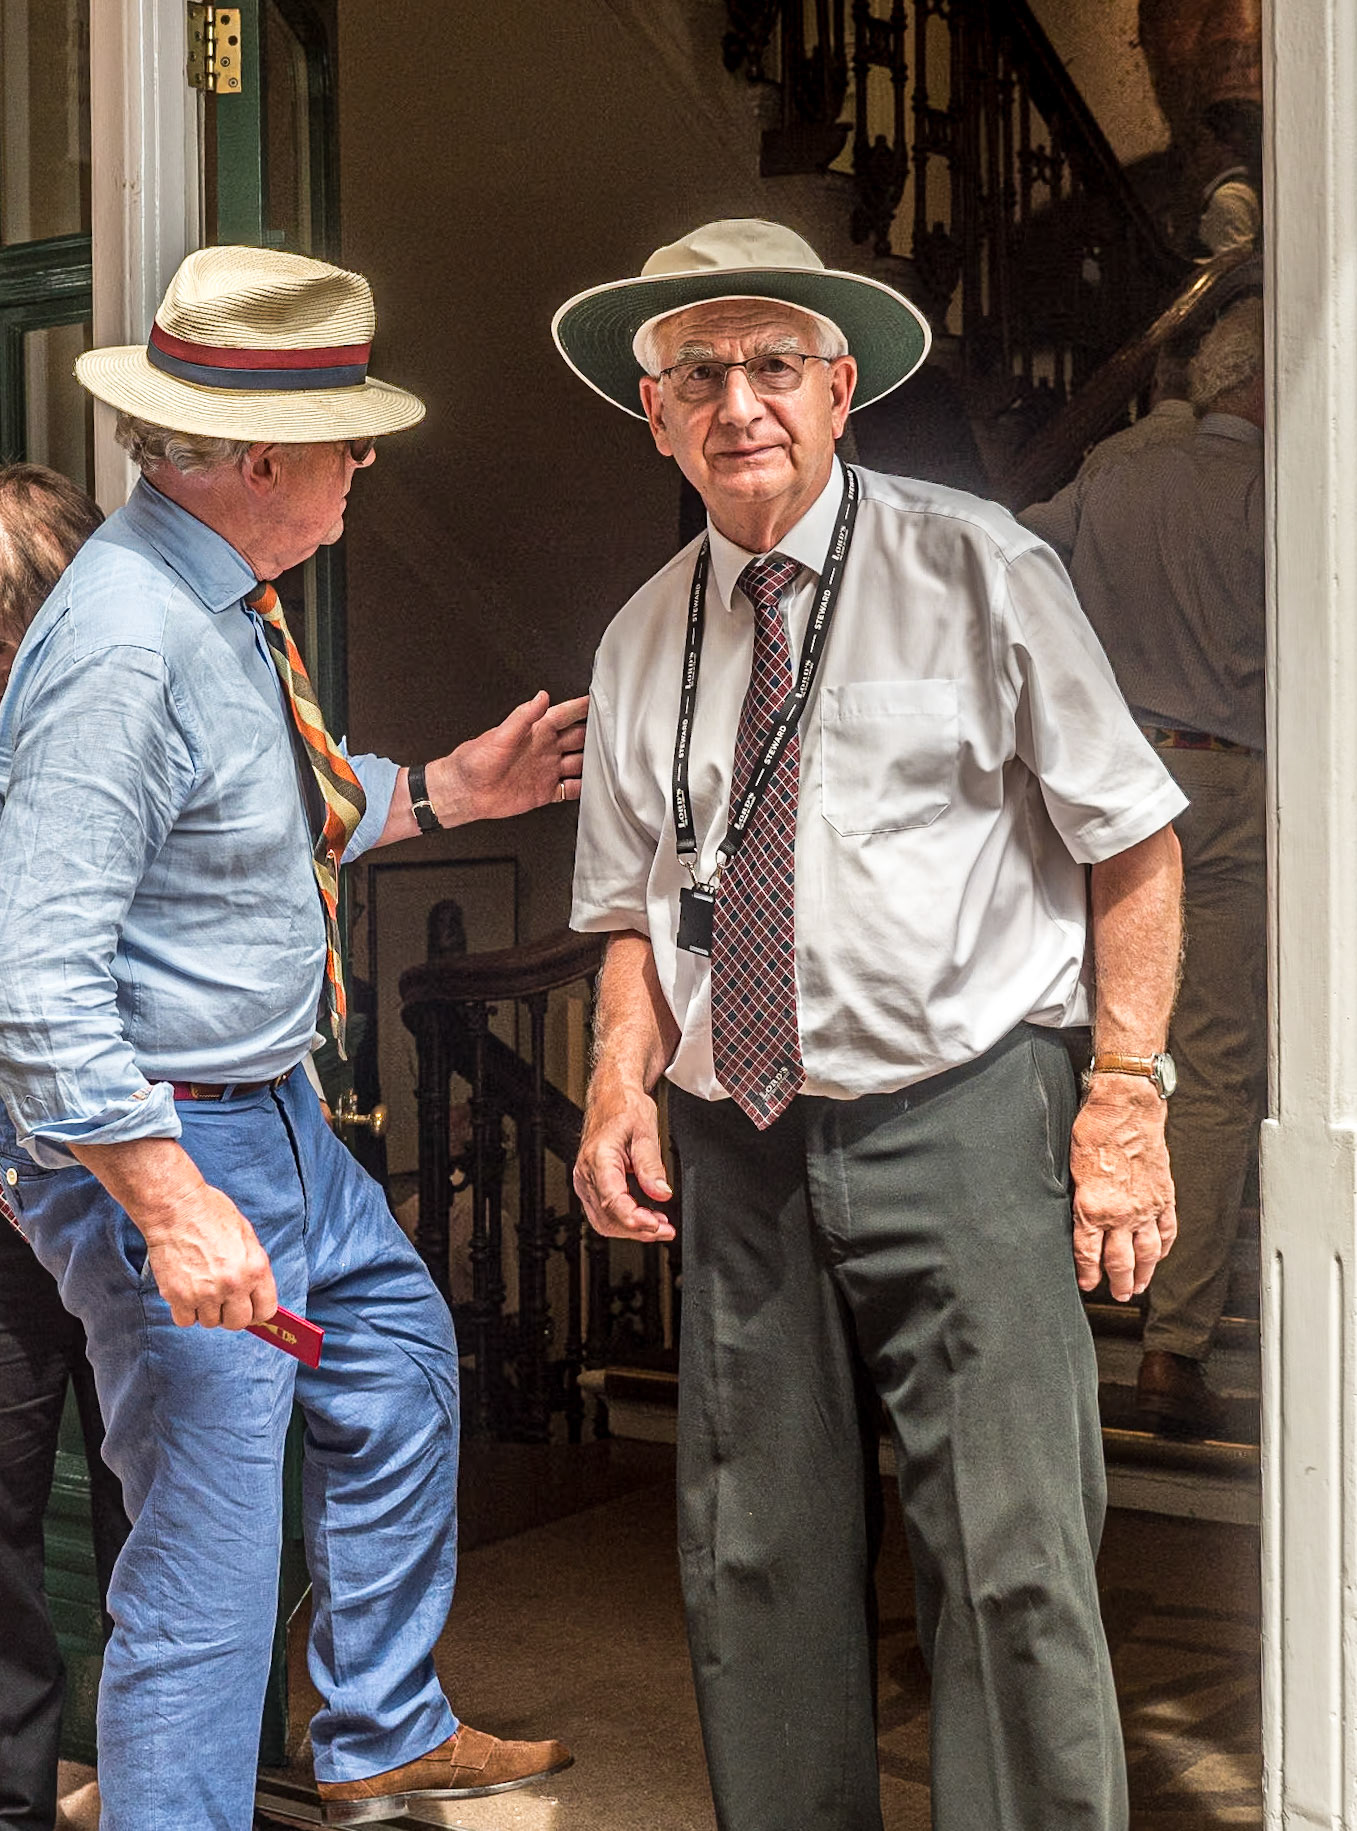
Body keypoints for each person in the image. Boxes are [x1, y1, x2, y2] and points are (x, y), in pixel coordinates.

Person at [556, 217, 1187, 1831]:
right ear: (655, 413)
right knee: (749, 1556)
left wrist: (1123, 1099)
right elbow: (632, 907)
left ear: (841, 392)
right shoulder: (642, 637)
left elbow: (1130, 836)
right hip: (738, 1138)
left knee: (1009, 1556)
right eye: (698, 371)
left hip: (963, 1110)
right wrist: (616, 1086)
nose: (738, 401)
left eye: (774, 364)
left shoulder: (978, 565)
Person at [0, 246, 584, 1831]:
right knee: (204, 1552)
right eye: (348, 438)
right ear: (262, 459)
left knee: (398, 1368)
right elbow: (31, 971)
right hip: (172, 1132)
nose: (364, 466)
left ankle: (379, 1723)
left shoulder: (223, 604)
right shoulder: (125, 642)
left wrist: (452, 792)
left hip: (274, 1119)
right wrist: (171, 1202)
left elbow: (263, 829)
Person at [1025, 295, 1265, 1437]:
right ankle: (1172, 1345)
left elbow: (1011, 553)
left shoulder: (1117, 467)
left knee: (1059, 1043)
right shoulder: (1285, 486)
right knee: (1211, 1067)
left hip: (1106, 781)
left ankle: (1041, 1310)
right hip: (1236, 779)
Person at [0, 464, 131, 1831]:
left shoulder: (128, 716)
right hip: (10, 1198)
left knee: (159, 1518)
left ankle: (159, 1781)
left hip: (138, 1188)